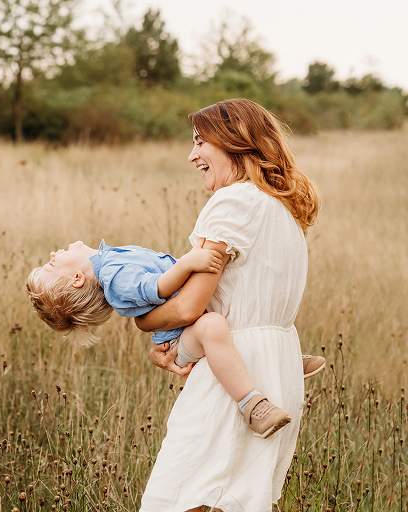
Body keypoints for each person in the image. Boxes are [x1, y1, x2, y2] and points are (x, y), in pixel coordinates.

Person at [135, 98, 322, 512]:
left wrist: (145, 322)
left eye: (200, 142)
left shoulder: (233, 201)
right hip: (277, 368)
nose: (192, 156)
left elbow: (190, 307)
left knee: (175, 499)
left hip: (234, 371)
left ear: (235, 142)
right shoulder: (283, 206)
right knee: (235, 502)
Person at [26, 238, 324, 438]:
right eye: (51, 265)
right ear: (77, 278)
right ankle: (253, 406)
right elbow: (155, 287)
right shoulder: (113, 276)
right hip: (179, 339)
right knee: (212, 327)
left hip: (188, 321)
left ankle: (280, 361)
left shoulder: (110, 260)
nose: (52, 255)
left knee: (229, 311)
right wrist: (188, 263)